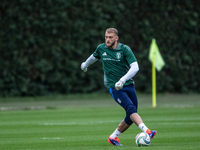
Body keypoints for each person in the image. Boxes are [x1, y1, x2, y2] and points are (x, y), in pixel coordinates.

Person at [81, 28, 157, 146]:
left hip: (128, 84)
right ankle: (147, 131)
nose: (107, 39)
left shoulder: (124, 49)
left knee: (131, 114)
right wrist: (84, 65)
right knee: (131, 109)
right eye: (106, 37)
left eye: (110, 37)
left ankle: (113, 137)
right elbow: (93, 57)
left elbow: (135, 67)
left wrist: (122, 80)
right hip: (114, 87)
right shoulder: (101, 48)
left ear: (116, 38)